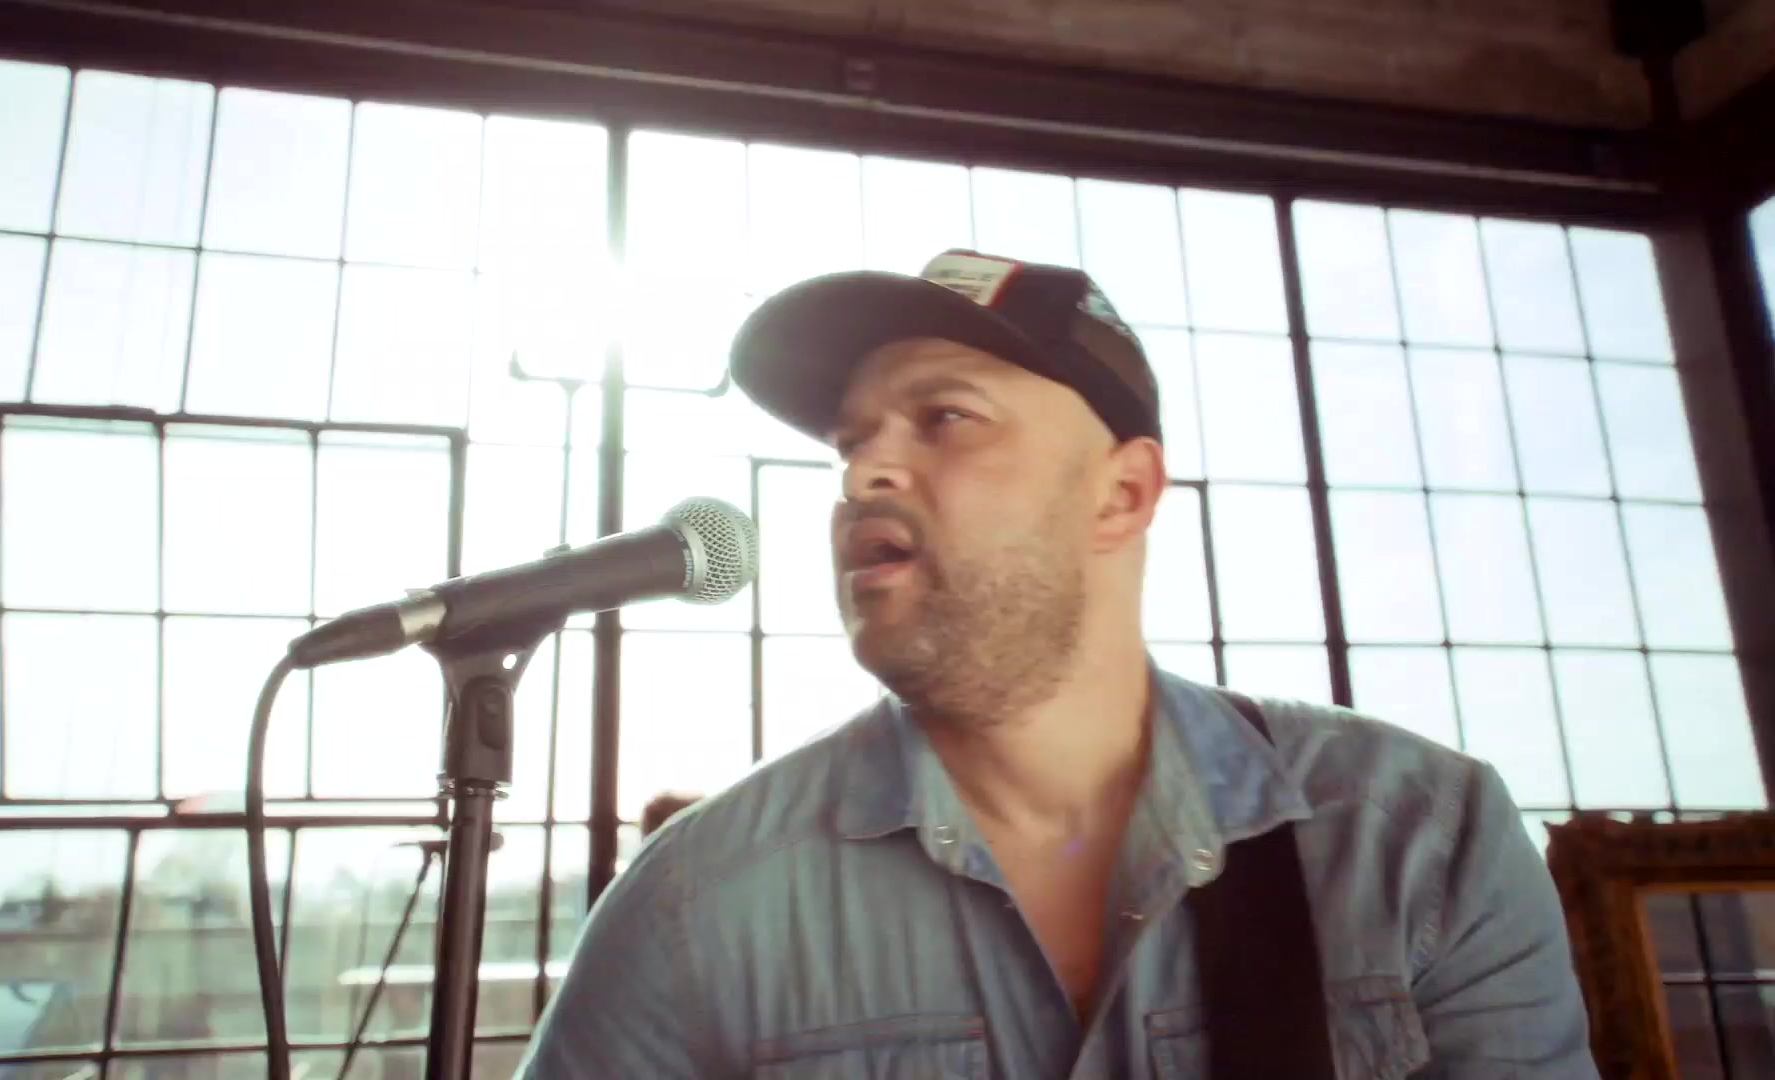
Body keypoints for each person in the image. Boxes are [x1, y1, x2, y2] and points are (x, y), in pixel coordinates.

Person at [517, 250, 1598, 1077]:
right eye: (851, 443)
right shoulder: (696, 901)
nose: (864, 475)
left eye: (945, 417)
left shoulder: (1421, 842)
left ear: (1122, 494)